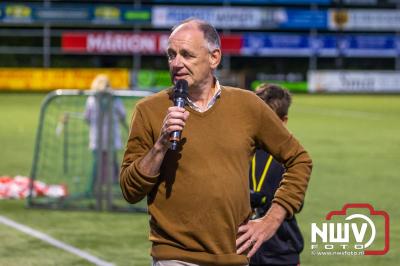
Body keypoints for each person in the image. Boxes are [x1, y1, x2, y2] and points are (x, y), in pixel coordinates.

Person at [120, 18, 312, 266]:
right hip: (175, 257)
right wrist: (160, 146)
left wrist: (272, 219)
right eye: (171, 55)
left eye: (187, 55)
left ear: (214, 58)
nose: (176, 63)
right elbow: (129, 190)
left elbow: (299, 160)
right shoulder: (149, 110)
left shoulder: (248, 105)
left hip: (235, 257)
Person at [249, 84, 303, 266]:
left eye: (269, 121)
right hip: (242, 248)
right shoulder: (242, 149)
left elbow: (297, 202)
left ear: (284, 121)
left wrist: (262, 199)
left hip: (281, 251)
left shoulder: (292, 157)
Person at [84, 74, 127, 194]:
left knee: (98, 162)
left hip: (98, 136)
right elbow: (122, 114)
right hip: (111, 136)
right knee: (111, 160)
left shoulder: (91, 99)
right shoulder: (115, 99)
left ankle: (93, 187)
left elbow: (87, 117)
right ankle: (117, 184)